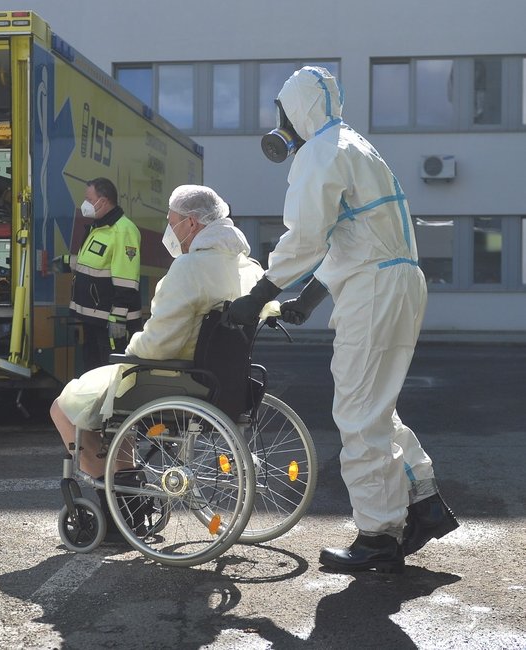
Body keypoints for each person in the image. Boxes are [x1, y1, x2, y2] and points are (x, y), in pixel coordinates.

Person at [227, 66, 459, 574]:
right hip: (396, 282)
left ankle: (378, 537)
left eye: (282, 111)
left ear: (298, 110)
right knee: (376, 407)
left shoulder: (318, 152)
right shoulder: (356, 145)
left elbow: (307, 236)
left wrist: (260, 292)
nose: (279, 122)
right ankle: (423, 503)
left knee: (358, 412)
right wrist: (307, 301)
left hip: (375, 289)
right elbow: (351, 238)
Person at [51, 185, 263, 541]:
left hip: (174, 375)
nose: (169, 228)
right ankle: (128, 506)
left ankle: (115, 508)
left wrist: (130, 350)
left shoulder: (188, 269)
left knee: (64, 408)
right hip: (219, 379)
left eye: (172, 221)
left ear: (192, 223)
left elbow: (158, 342)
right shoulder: (244, 267)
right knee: (116, 420)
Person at [53, 178, 142, 372]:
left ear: (103, 200)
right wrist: (69, 263)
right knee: (93, 369)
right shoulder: (98, 227)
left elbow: (127, 280)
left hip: (110, 322)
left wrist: (118, 318)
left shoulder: (123, 231)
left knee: (110, 372)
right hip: (94, 319)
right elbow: (98, 263)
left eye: (88, 198)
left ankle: (114, 403)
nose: (85, 203)